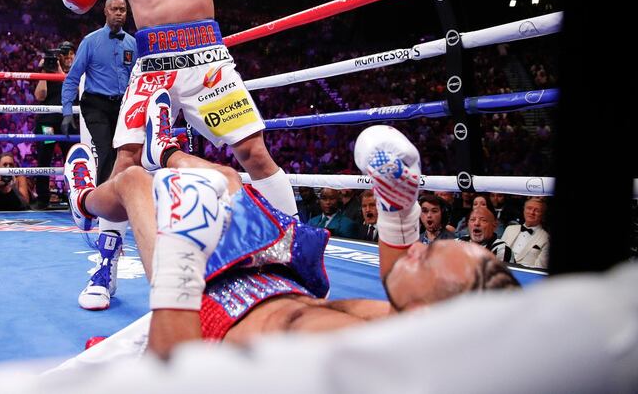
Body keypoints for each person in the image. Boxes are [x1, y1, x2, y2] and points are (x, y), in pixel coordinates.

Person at [64, 106, 519, 357]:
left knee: (132, 183)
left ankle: (85, 203)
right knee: (228, 179)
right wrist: (397, 212)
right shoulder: (402, 331)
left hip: (207, 305)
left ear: (429, 315)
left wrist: (181, 259)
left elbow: (179, 373)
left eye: (430, 257)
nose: (421, 247)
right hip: (276, 275)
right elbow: (403, 282)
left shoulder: (343, 353)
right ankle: (166, 151)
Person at [60, 0, 297, 308]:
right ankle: (105, 265)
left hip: (208, 58)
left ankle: (288, 248)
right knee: (126, 164)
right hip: (153, 65)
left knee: (255, 152)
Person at [61, 0, 136, 185]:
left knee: (124, 151)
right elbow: (73, 77)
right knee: (105, 150)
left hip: (122, 106)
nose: (119, 13)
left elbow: (137, 77)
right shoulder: (90, 41)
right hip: (95, 104)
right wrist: (67, 111)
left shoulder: (132, 43)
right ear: (106, 11)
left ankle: (120, 196)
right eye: (114, 9)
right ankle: (103, 200)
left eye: (122, 9)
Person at [34, 41, 77, 210]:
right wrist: (45, 72)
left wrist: (59, 72)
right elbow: (39, 95)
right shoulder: (48, 70)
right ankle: (43, 199)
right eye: (64, 54)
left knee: (73, 159)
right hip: (48, 124)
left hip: (69, 122)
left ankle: (75, 197)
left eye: (71, 54)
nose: (68, 57)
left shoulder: (77, 72)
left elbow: (74, 91)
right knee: (45, 157)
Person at [460, 196, 514, 263]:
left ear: (494, 226)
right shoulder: (458, 242)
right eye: (472, 220)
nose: (476, 223)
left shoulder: (501, 249)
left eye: (483, 220)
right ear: (467, 224)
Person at [502, 197, 550, 268]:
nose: (531, 212)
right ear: (524, 210)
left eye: (537, 210)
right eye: (529, 208)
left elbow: (540, 269)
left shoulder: (546, 238)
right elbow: (498, 253)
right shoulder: (510, 229)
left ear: (543, 215)